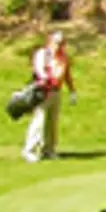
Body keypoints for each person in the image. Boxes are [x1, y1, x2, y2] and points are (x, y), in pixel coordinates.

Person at [23, 31, 77, 163]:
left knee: (52, 122)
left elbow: (67, 75)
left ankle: (49, 150)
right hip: (43, 91)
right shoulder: (43, 54)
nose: (59, 46)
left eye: (62, 43)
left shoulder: (63, 57)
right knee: (39, 121)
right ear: (50, 41)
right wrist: (46, 78)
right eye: (57, 42)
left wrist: (72, 91)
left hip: (56, 92)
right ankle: (29, 150)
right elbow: (39, 70)